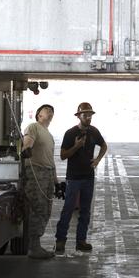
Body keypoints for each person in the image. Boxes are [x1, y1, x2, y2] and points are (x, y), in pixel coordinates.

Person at [55, 102, 107, 254]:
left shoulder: (94, 132)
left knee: (85, 210)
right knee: (68, 209)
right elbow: (63, 155)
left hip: (88, 177)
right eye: (85, 115)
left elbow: (104, 146)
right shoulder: (70, 133)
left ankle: (81, 241)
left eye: (90, 115)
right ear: (78, 116)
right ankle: (60, 241)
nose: (88, 117)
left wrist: (97, 160)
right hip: (73, 178)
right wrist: (76, 147)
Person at [21, 101, 57, 258]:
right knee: (38, 208)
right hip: (36, 172)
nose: (49, 111)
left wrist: (56, 181)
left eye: (51, 110)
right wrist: (26, 148)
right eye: (46, 109)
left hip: (47, 174)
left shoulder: (49, 135)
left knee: (46, 210)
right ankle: (33, 247)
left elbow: (51, 159)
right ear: (39, 115)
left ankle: (36, 245)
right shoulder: (33, 127)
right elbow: (28, 141)